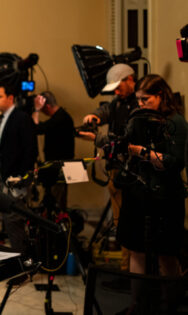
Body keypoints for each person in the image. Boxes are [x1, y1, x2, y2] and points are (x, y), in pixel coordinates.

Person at [117, 74, 186, 276]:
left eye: (145, 99)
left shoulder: (176, 122)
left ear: (160, 95)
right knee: (136, 251)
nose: (141, 104)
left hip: (165, 196)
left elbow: (175, 162)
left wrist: (141, 152)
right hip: (139, 194)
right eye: (138, 99)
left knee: (166, 255)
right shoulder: (140, 119)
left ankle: (169, 305)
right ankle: (137, 305)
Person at [79, 63, 138, 271]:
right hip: (116, 170)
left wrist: (97, 138)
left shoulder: (139, 105)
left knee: (128, 225)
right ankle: (126, 270)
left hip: (132, 173)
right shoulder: (118, 102)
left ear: (130, 79)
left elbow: (125, 141)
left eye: (119, 87)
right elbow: (106, 109)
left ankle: (129, 271)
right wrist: (94, 116)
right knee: (119, 222)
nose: (116, 91)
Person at [0, 82, 37, 253]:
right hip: (2, 174)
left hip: (16, 177)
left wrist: (21, 177)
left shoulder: (21, 118)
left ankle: (22, 260)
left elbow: (30, 150)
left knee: (14, 219)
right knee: (7, 218)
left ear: (10, 98)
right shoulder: (0, 119)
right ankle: (17, 257)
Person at [32, 91, 75, 210]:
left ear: (47, 106)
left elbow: (37, 129)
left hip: (60, 169)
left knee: (56, 203)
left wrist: (35, 111)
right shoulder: (61, 116)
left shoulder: (60, 119)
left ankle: (57, 226)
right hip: (57, 168)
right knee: (56, 201)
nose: (41, 112)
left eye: (42, 109)